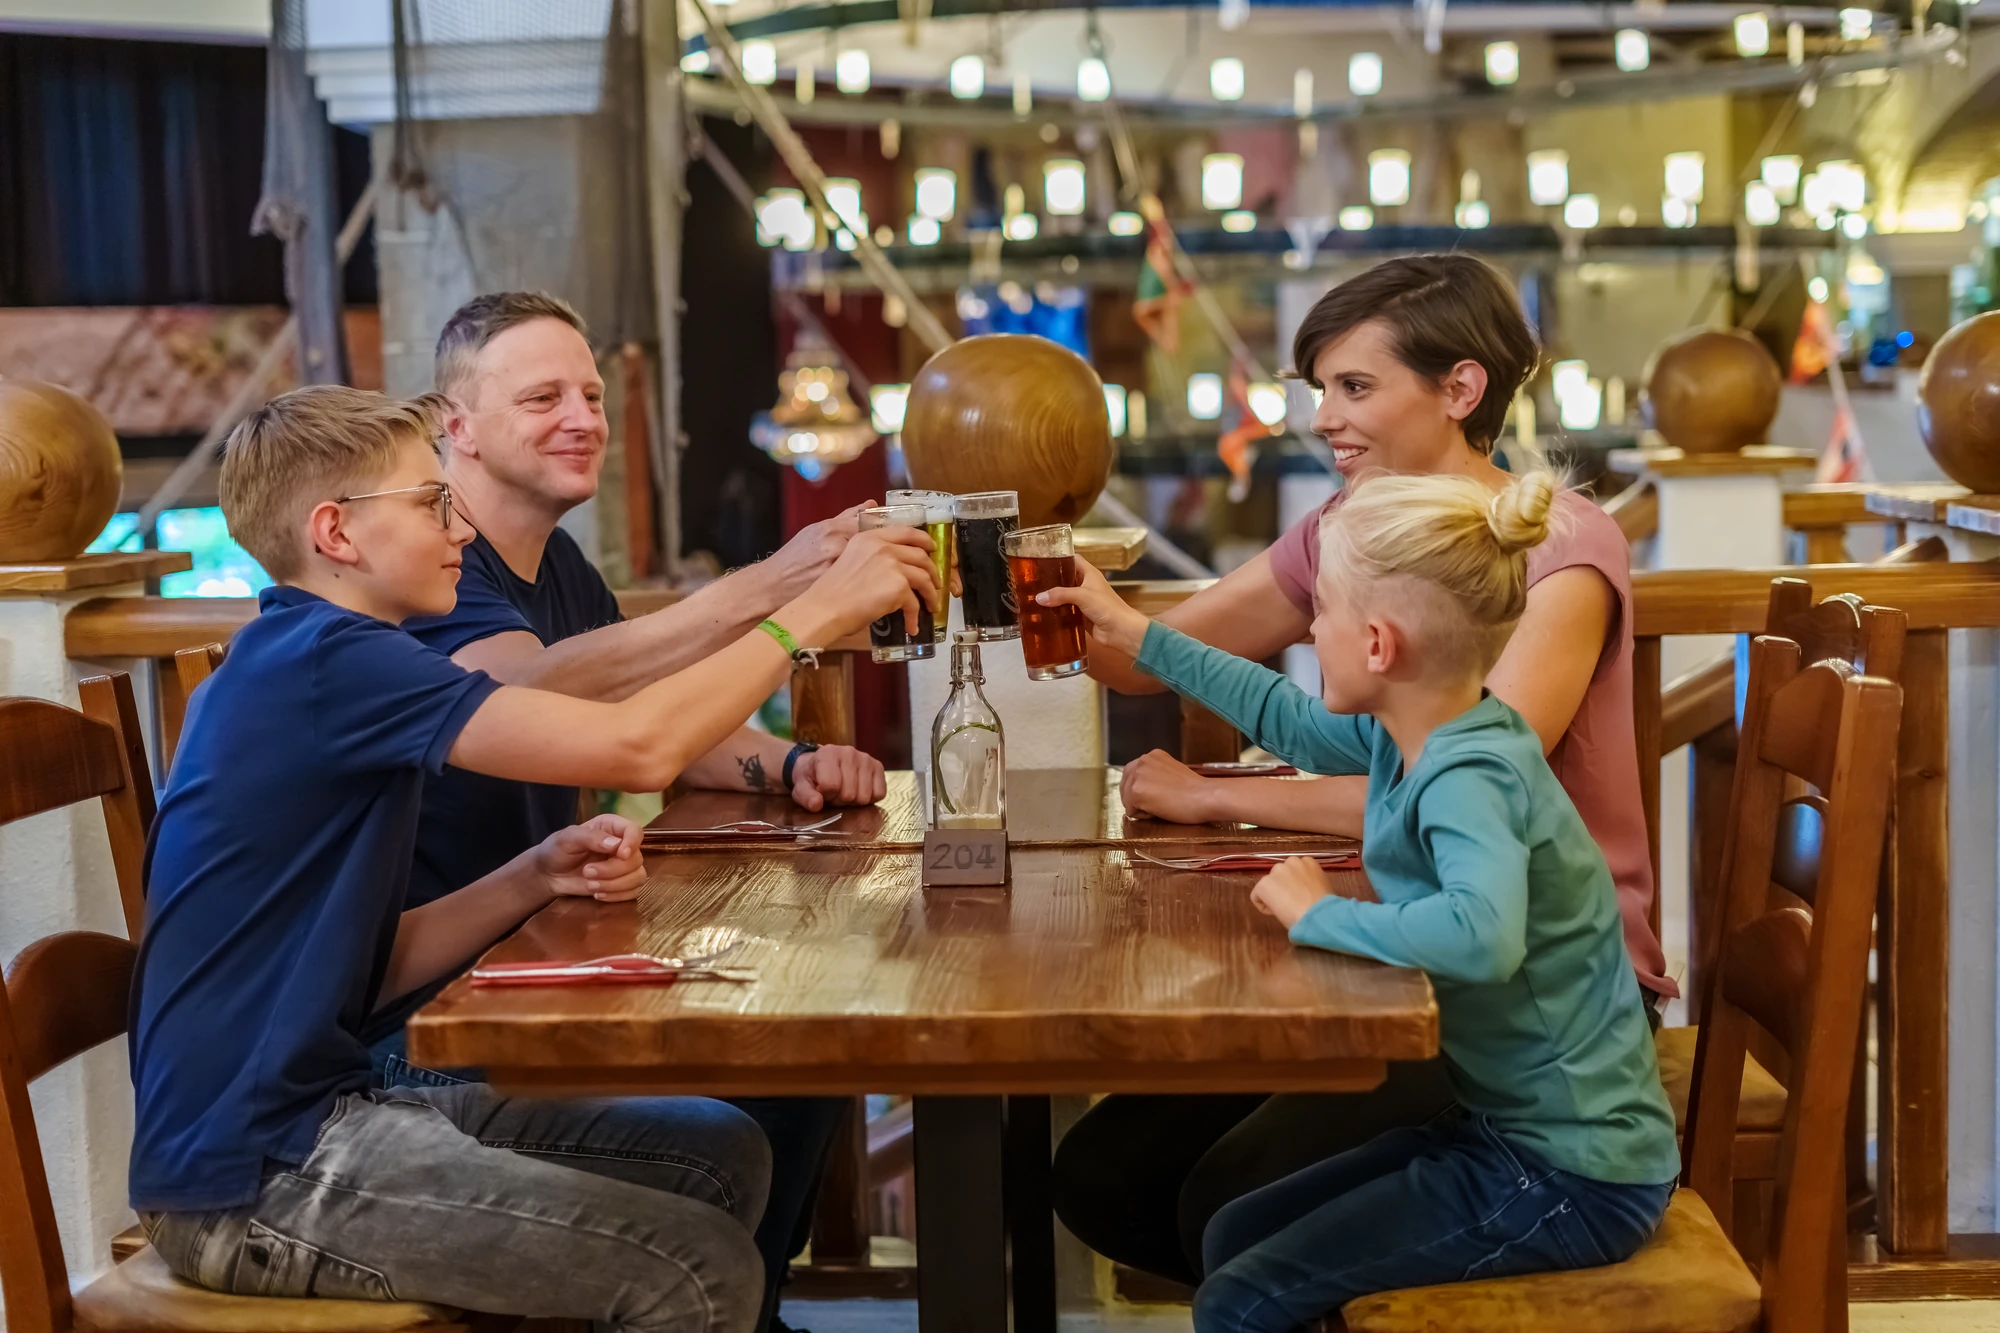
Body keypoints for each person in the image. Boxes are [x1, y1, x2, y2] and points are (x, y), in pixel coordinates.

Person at [133, 386, 938, 1333]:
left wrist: (533, 874)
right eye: (430, 503)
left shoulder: (329, 656)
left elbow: (364, 964)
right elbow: (638, 748)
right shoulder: (329, 661)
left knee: (724, 1150)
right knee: (697, 1268)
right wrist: (812, 609)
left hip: (322, 1114)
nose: (458, 529)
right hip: (254, 1175)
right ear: (336, 533)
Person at [1051, 253, 1674, 1286]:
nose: (1323, 419)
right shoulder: (1349, 532)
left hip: (1543, 991)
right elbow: (1130, 659)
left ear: (1459, 389)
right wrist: (1058, 586)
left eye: (1353, 386)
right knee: (1107, 1171)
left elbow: (1458, 786)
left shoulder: (1560, 548)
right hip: (1403, 940)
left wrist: (1217, 797)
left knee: (1222, 1202)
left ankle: (1309, 1288)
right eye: (1318, 391)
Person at [359, 292, 880, 1331]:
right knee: (770, 1074)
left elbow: (641, 713)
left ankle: (746, 1313)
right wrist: (773, 588)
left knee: (809, 1057)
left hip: (534, 964)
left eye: (591, 394)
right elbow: (545, 695)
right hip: (414, 1027)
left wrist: (792, 764)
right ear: (453, 426)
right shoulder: (429, 576)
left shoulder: (553, 561)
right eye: (542, 395)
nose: (582, 417)